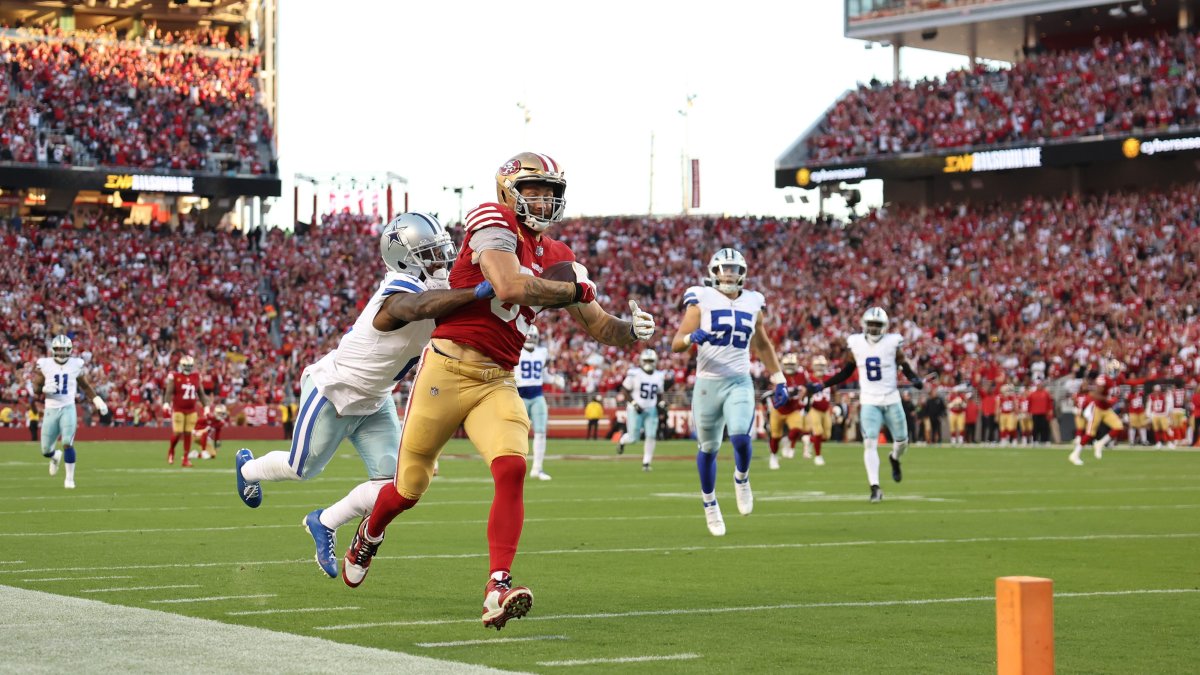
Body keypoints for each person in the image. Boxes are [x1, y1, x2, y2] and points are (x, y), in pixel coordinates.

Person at [341, 152, 656, 632]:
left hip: (497, 379)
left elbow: (599, 324)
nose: (544, 199)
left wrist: (631, 330)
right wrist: (576, 292)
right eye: (534, 189)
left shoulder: (560, 256)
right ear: (509, 190)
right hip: (446, 368)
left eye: (551, 192)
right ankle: (370, 531)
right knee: (408, 488)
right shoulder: (491, 218)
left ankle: (497, 587)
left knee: (512, 467)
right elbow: (508, 286)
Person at [234, 212, 494, 579]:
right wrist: (479, 291)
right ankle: (247, 469)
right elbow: (415, 308)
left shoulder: (441, 284)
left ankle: (324, 521)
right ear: (405, 258)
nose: (443, 259)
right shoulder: (399, 288)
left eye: (443, 249)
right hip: (336, 391)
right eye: (430, 252)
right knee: (301, 468)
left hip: (376, 399)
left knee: (397, 484)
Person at [670, 247, 790, 536]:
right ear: (714, 272)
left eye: (734, 269)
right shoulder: (700, 298)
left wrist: (779, 378)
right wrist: (690, 337)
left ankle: (742, 478)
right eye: (724, 269)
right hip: (708, 383)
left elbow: (762, 345)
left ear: (743, 273)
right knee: (709, 448)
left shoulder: (753, 302)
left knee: (740, 436)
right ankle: (710, 504)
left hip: (739, 380)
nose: (729, 275)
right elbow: (676, 343)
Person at [807, 307, 924, 503]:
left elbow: (904, 365)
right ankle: (875, 487)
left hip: (891, 398)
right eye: (871, 325)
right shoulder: (857, 343)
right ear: (864, 325)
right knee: (869, 442)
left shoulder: (892, 343)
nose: (874, 329)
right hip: (869, 400)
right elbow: (846, 371)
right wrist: (824, 384)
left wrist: (914, 378)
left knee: (903, 441)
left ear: (884, 327)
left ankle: (894, 458)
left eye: (877, 325)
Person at [32, 335, 109, 489]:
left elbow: (85, 386)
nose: (61, 353)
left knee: (67, 442)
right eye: (59, 350)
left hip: (68, 407)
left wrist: (97, 400)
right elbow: (35, 388)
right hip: (51, 409)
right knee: (46, 450)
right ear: (53, 350)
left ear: (70, 350)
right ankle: (55, 456)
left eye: (64, 350)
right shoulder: (45, 364)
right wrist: (44, 389)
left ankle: (69, 479)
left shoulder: (76, 364)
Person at [618, 348, 669, 471]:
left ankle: (646, 463)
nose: (648, 363)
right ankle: (622, 441)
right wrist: (634, 404)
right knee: (633, 438)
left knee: (651, 435)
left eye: (651, 360)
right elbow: (624, 390)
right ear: (641, 361)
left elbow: (659, 393)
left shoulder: (659, 375)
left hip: (651, 409)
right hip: (635, 409)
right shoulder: (634, 373)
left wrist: (661, 403)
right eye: (646, 360)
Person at [516, 325, 553, 480]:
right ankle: (516, 468)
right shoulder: (516, 351)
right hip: (519, 396)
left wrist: (554, 379)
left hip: (537, 395)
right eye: (528, 336)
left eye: (532, 337)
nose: (530, 339)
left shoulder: (542, 353)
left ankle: (537, 469)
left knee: (541, 432)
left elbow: (543, 374)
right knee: (516, 434)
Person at [162, 355, 210, 468]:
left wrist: (206, 406)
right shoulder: (175, 376)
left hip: (191, 410)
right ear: (181, 365)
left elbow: (201, 393)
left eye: (190, 366)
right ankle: (171, 450)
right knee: (178, 432)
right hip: (178, 409)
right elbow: (169, 391)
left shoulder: (196, 376)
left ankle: (186, 458)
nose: (188, 368)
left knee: (188, 433)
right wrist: (166, 403)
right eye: (186, 366)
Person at [764, 353, 807, 470]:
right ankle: (773, 457)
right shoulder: (777, 374)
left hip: (793, 409)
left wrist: (801, 392)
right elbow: (776, 389)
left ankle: (787, 440)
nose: (790, 366)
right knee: (775, 437)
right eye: (788, 364)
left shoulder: (801, 375)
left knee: (797, 429)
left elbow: (803, 389)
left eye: (792, 364)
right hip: (778, 409)